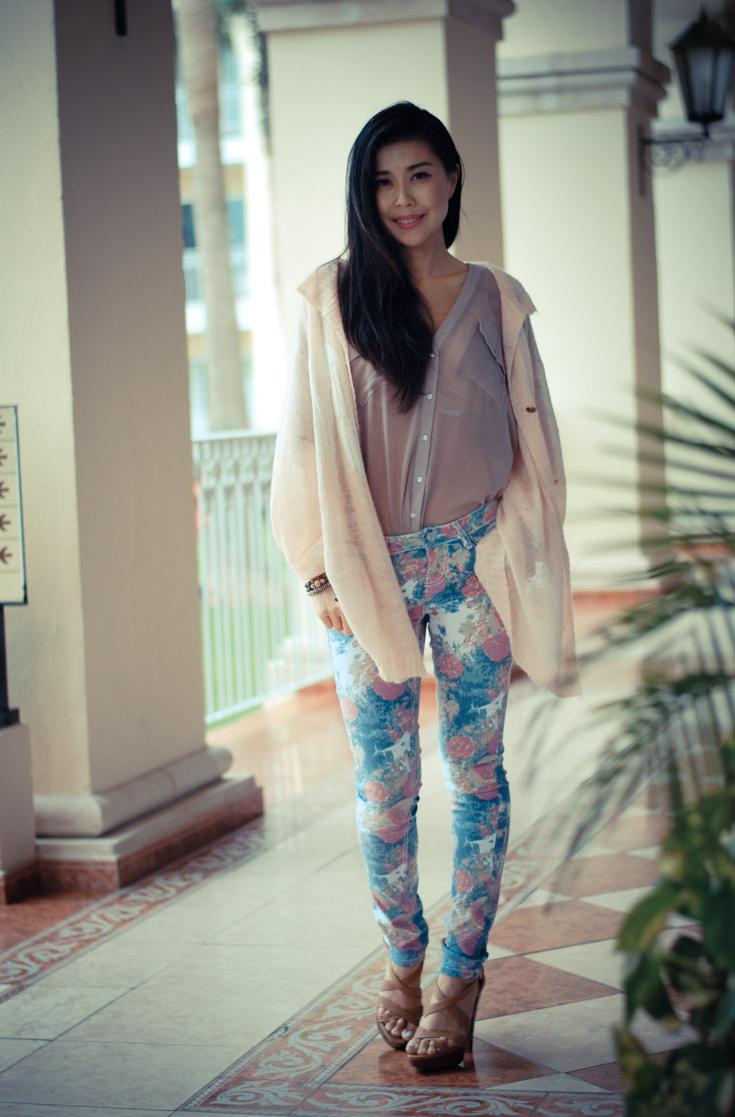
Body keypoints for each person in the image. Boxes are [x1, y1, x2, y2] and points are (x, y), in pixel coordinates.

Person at [271, 102, 579, 1072]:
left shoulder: (497, 298)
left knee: (478, 777)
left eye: (419, 175)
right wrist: (317, 569)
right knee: (383, 789)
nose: (402, 198)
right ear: (365, 195)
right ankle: (402, 957)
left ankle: (460, 978)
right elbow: (303, 440)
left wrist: (525, 554)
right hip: (367, 576)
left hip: (475, 569)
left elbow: (534, 436)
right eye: (382, 181)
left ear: (450, 180)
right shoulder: (333, 298)